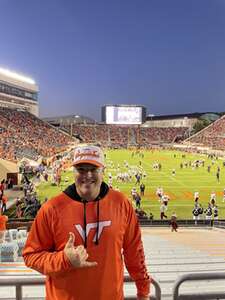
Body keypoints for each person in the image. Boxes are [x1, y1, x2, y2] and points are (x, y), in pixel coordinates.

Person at [23, 145, 150, 300]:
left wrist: (143, 291)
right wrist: (64, 259)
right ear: (73, 172)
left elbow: (134, 251)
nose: (87, 175)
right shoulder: (52, 209)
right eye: (81, 169)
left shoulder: (121, 203)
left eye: (93, 169)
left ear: (103, 171)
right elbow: (31, 256)